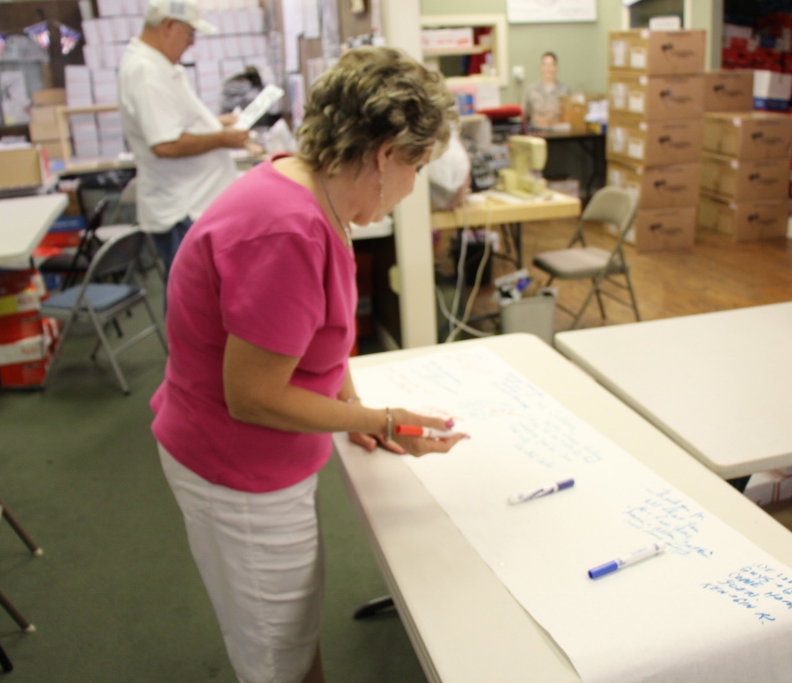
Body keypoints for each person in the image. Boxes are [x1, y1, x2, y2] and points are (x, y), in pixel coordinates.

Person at [150, 46, 465, 683]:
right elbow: (254, 396)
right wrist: (378, 416)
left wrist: (354, 411)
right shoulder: (287, 229)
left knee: (291, 630)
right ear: (385, 156)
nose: (413, 188)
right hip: (237, 465)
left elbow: (318, 336)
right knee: (277, 656)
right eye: (418, 166)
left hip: (251, 452)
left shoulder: (307, 188)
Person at [118, 0, 249, 284]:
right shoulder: (146, 71)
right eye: (189, 34)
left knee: (196, 297)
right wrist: (222, 139)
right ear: (168, 26)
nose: (191, 43)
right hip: (182, 210)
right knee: (190, 300)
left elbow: (173, 124)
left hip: (192, 205)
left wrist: (215, 125)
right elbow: (165, 144)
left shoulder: (158, 65)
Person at [524, 51, 571, 130]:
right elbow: (526, 115)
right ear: (540, 67)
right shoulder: (532, 90)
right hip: (537, 133)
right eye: (544, 64)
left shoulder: (565, 90)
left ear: (556, 67)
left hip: (558, 133)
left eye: (551, 65)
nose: (548, 68)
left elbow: (568, 115)